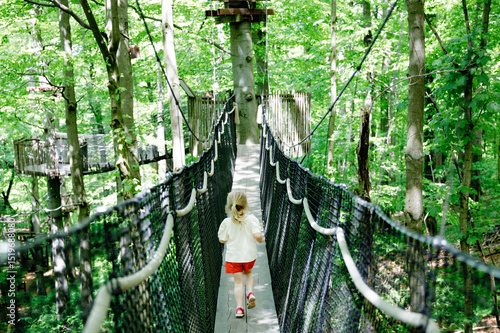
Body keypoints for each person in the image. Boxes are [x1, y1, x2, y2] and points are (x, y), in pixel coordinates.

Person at [218, 191, 264, 318]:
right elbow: (257, 236)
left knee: (238, 283)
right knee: (248, 273)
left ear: (229, 206)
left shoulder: (227, 222)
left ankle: (239, 309)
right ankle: (250, 293)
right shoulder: (252, 219)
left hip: (233, 258)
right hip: (249, 256)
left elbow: (222, 239)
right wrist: (261, 239)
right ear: (246, 205)